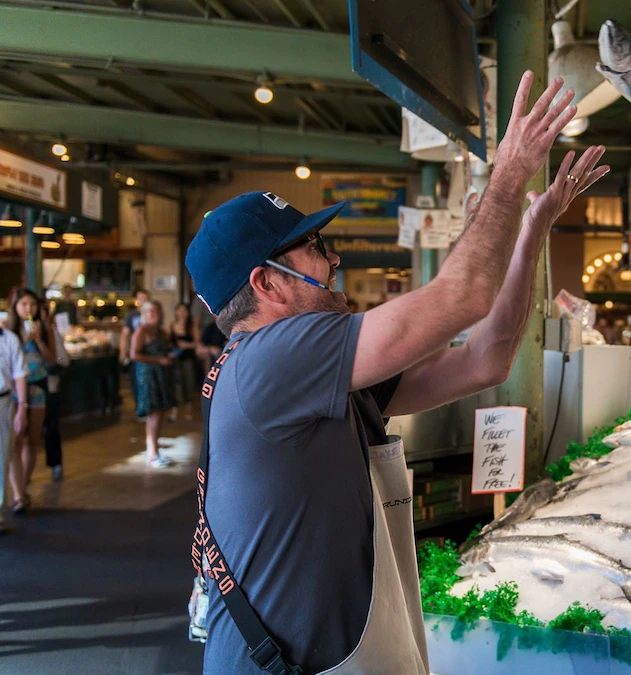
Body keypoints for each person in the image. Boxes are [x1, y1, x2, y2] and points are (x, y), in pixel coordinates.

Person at [186, 72, 606, 673]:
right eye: (315, 248)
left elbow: (484, 360)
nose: (334, 260)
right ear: (267, 284)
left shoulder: (312, 373)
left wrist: (533, 227)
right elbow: (461, 297)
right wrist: (509, 172)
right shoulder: (272, 358)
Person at [7, 289, 53, 514]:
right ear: (15, 306)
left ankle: (23, 486)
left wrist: (39, 340)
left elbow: (53, 359)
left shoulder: (43, 328)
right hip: (13, 391)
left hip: (37, 387)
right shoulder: (7, 331)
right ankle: (17, 493)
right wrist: (25, 339)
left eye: (32, 305)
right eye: (24, 304)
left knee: (32, 440)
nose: (29, 309)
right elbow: (10, 359)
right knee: (15, 440)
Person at [130, 300, 177, 468]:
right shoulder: (142, 331)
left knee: (161, 412)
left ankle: (155, 448)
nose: (155, 314)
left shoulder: (162, 332)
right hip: (149, 376)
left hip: (162, 375)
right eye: (151, 311)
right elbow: (134, 354)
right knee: (154, 413)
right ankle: (152, 452)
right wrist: (158, 360)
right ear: (145, 314)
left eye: (157, 311)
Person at [0, 321, 27, 534]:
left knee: (2, 459)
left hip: (3, 402)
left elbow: (19, 375)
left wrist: (22, 408)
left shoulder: (9, 338)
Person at [40, 303, 69, 482]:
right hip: (26, 389)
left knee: (51, 429)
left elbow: (63, 360)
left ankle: (56, 464)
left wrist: (52, 364)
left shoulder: (52, 334)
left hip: (50, 388)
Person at [119, 288, 150, 413]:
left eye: (145, 298)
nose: (142, 300)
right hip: (135, 352)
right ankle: (139, 407)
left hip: (148, 352)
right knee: (135, 380)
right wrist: (123, 351)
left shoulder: (151, 314)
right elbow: (125, 334)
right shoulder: (131, 315)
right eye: (140, 298)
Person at [170, 302, 200, 422]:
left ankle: (188, 411)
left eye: (184, 310)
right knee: (176, 385)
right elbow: (168, 342)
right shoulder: (172, 326)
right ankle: (174, 411)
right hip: (175, 359)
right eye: (180, 310)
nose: (182, 313)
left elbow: (197, 343)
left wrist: (186, 345)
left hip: (188, 359)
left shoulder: (192, 327)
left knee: (188, 383)